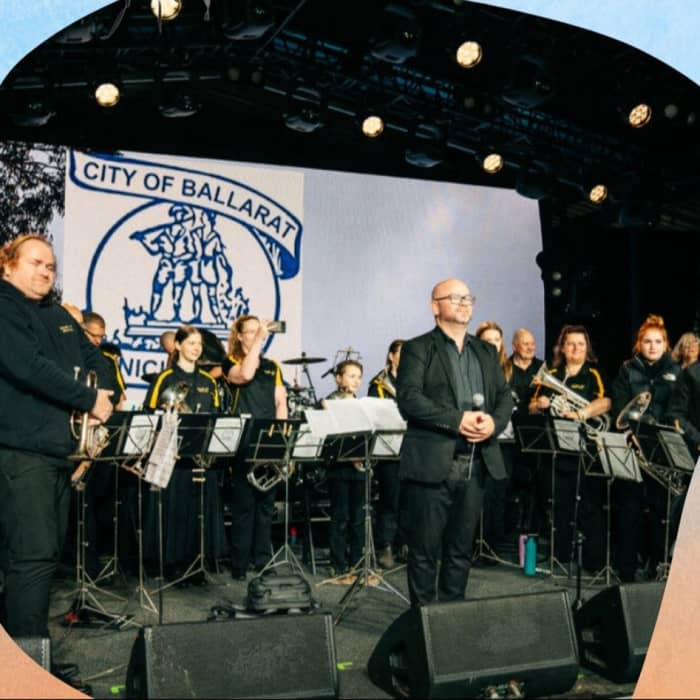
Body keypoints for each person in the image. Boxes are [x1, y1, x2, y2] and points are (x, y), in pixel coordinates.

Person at [0, 235, 113, 684]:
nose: (47, 271)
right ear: (8, 264)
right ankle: (26, 674)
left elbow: (95, 358)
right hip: (20, 454)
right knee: (29, 560)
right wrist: (89, 397)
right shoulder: (5, 305)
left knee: (44, 559)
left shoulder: (57, 315)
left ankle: (31, 656)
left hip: (57, 455)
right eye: (36, 262)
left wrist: (106, 391)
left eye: (51, 265)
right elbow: (27, 365)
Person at [396, 278, 513, 605]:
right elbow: (409, 399)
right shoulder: (418, 348)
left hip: (476, 464)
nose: (464, 303)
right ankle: (422, 626)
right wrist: (456, 419)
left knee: (461, 551)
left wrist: (494, 422)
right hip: (433, 465)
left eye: (468, 297)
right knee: (423, 552)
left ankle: (450, 623)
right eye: (455, 297)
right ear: (435, 307)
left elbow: (504, 397)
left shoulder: (487, 351)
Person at [143, 325, 224, 583]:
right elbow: (152, 413)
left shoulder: (209, 381)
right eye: (191, 343)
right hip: (174, 459)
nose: (197, 348)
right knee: (174, 511)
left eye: (199, 344)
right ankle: (172, 564)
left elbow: (216, 417)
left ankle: (196, 563)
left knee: (200, 510)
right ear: (177, 346)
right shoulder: (164, 377)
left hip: (201, 458)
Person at [529, 324, 611, 572]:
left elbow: (606, 402)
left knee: (589, 507)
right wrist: (540, 403)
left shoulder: (593, 374)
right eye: (571, 344)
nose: (576, 349)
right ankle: (561, 559)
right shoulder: (552, 373)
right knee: (559, 505)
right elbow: (531, 406)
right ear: (562, 348)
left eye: (581, 344)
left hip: (585, 449)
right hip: (557, 450)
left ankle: (593, 563)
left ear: (587, 349)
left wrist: (582, 412)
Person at [610, 314, 681, 581]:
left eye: (658, 341)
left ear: (666, 344)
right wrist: (628, 434)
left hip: (662, 452)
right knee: (629, 509)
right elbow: (619, 406)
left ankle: (657, 567)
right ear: (639, 344)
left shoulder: (676, 371)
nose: (652, 346)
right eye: (647, 341)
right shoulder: (627, 369)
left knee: (661, 513)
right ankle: (626, 570)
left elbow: (678, 410)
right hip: (633, 448)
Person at [223, 314, 288, 580]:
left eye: (257, 331)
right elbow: (246, 374)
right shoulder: (230, 362)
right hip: (245, 442)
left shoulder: (272, 367)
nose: (256, 335)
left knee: (265, 506)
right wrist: (260, 340)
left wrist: (283, 440)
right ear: (239, 336)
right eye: (250, 331)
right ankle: (239, 564)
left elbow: (280, 402)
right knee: (244, 506)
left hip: (269, 442)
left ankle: (262, 560)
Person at [475, 321, 516, 559]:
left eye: (496, 340)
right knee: (476, 495)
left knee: (497, 495)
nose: (492, 344)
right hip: (479, 439)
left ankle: (491, 547)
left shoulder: (509, 369)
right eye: (487, 340)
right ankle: (473, 546)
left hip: (505, 442)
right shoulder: (470, 367)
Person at [323, 359, 367, 577]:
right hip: (339, 468)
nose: (356, 381)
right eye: (351, 376)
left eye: (359, 376)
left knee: (358, 518)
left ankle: (357, 562)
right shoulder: (329, 402)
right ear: (338, 378)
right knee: (340, 517)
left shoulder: (362, 404)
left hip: (360, 469)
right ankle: (338, 563)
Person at [368, 339, 405, 569]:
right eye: (402, 353)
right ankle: (386, 546)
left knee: (411, 500)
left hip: (413, 447)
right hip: (390, 449)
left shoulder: (415, 379)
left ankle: (406, 544)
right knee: (390, 499)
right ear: (391, 356)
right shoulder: (378, 384)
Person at [508, 328, 545, 535]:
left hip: (534, 433)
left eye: (532, 343)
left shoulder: (543, 368)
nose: (530, 347)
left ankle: (532, 527)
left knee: (535, 481)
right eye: (525, 344)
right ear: (514, 346)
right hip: (509, 432)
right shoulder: (504, 367)